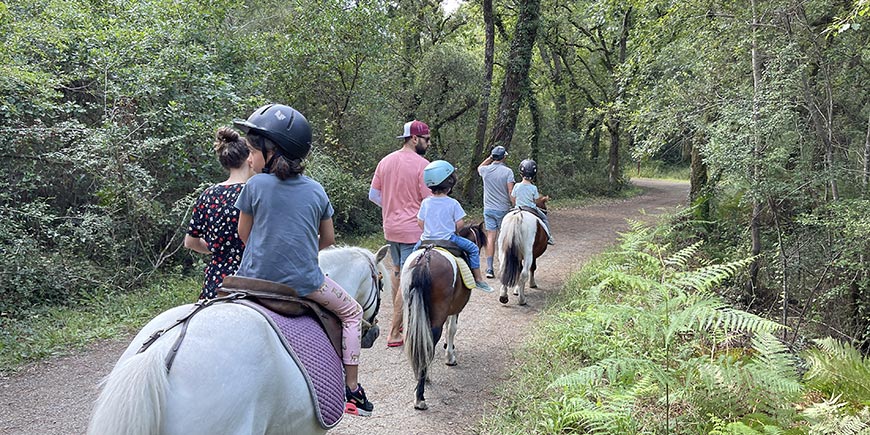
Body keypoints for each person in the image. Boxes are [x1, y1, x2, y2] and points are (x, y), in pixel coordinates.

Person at [232, 103, 374, 417]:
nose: (249, 158)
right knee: (353, 312)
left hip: (250, 278)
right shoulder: (317, 191)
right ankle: (352, 389)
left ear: (272, 152)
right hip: (303, 283)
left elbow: (245, 234)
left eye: (252, 151)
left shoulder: (254, 186)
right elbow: (328, 241)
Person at [368, 120, 432, 347]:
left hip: (390, 227)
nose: (428, 143)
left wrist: (391, 208)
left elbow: (373, 195)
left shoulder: (385, 161)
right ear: (414, 139)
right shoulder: (423, 165)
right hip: (412, 230)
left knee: (397, 271)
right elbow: (429, 201)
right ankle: (395, 331)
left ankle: (401, 321)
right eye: (426, 139)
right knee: (407, 278)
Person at [184, 127, 257, 300]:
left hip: (216, 284)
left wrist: (217, 248)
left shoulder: (208, 194)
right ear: (249, 158)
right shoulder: (255, 192)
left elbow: (190, 242)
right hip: (251, 281)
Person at [417, 160, 494, 292]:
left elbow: (420, 223)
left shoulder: (425, 202)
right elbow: (460, 225)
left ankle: (404, 278)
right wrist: (453, 230)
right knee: (473, 249)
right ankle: (478, 279)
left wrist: (430, 231)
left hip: (426, 240)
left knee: (413, 257)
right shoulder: (453, 203)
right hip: (448, 239)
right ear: (449, 183)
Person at [477, 145, 515, 278]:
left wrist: (490, 158)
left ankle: (489, 268)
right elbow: (511, 192)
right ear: (504, 157)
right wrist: (515, 205)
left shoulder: (485, 170)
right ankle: (504, 266)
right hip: (503, 210)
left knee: (490, 237)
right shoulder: (508, 172)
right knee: (504, 238)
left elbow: (479, 167)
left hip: (488, 209)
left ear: (493, 157)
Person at [511, 159, 555, 245]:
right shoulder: (533, 188)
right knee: (544, 219)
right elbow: (536, 200)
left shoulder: (516, 186)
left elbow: (513, 197)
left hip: (518, 208)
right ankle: (549, 237)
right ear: (534, 175)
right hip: (531, 209)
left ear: (521, 173)